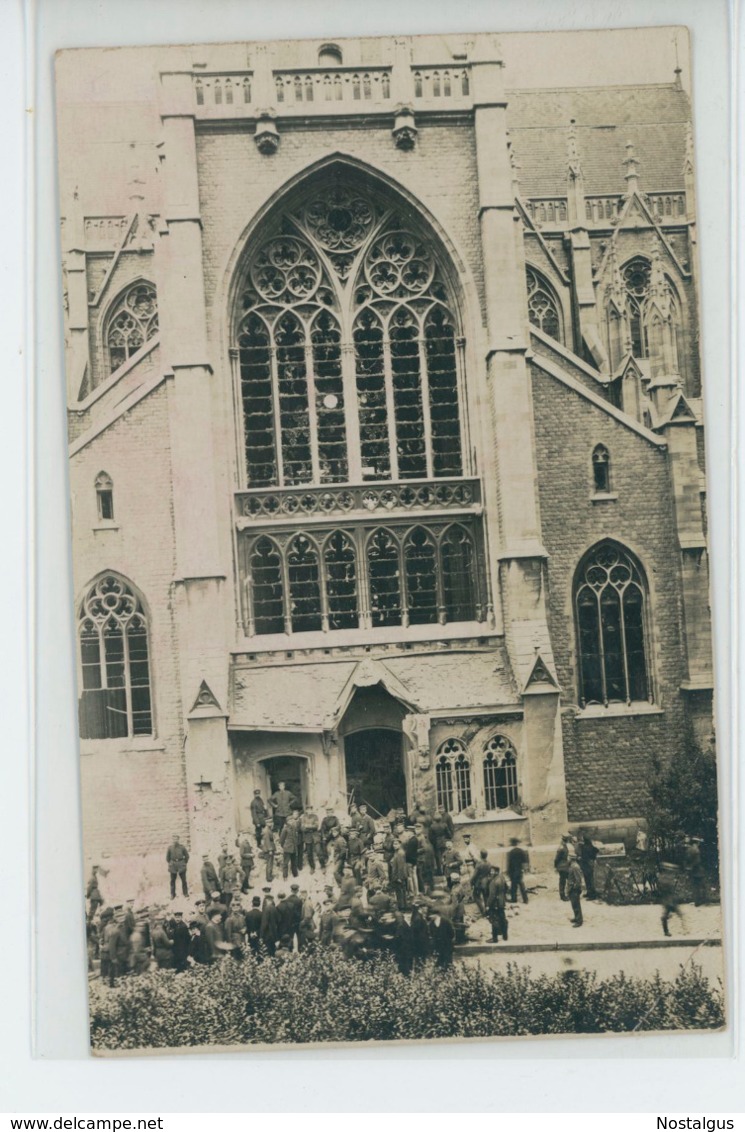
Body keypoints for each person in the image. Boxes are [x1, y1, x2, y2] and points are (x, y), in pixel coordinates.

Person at [657, 862, 685, 936]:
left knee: (677, 914)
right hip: (668, 899)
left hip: (670, 899)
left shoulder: (665, 877)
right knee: (666, 916)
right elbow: (664, 889)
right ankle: (667, 931)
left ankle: (684, 928)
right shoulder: (663, 878)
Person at [486, 865, 509, 942]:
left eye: (492, 871)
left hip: (495, 904)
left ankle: (495, 938)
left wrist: (488, 905)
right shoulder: (502, 878)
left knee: (494, 920)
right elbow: (506, 888)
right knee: (503, 919)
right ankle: (505, 936)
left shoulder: (493, 882)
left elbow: (491, 895)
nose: (491, 872)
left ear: (496, 871)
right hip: (502, 902)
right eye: (491, 871)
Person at [684, 837, 707, 906]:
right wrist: (692, 866)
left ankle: (697, 901)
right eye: (698, 843)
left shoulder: (689, 850)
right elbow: (698, 861)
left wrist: (688, 867)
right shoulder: (696, 850)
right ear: (696, 843)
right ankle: (701, 901)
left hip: (693, 871)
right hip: (698, 870)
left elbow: (686, 860)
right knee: (701, 885)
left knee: (695, 886)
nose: (699, 844)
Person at [506, 837, 529, 904]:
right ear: (517, 843)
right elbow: (525, 861)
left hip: (513, 872)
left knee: (513, 886)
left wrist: (508, 872)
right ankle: (525, 899)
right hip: (519, 871)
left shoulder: (511, 852)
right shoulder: (521, 851)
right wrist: (524, 870)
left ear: (512, 844)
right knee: (521, 885)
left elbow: (509, 863)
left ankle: (514, 899)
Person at [166, 833, 189, 898]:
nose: (175, 840)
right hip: (173, 865)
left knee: (184, 880)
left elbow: (187, 856)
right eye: (174, 839)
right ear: (172, 840)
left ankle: (185, 893)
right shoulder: (170, 848)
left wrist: (184, 863)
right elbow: (167, 858)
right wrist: (171, 863)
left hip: (181, 865)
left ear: (178, 839)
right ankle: (173, 894)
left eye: (176, 839)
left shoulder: (182, 847)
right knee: (172, 881)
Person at [578, 832, 599, 900]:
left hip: (586, 865)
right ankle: (590, 893)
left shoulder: (584, 847)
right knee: (590, 879)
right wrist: (593, 858)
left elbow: (584, 857)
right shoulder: (591, 846)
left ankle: (592, 895)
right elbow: (596, 850)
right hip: (591, 864)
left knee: (588, 880)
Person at [471, 850, 492, 916]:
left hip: (479, 883)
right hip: (486, 882)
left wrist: (471, 882)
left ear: (480, 855)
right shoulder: (489, 863)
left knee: (476, 896)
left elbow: (474, 875)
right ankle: (487, 910)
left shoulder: (479, 864)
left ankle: (483, 911)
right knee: (486, 896)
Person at [300, 806, 321, 873]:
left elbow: (316, 826)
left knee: (319, 851)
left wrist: (307, 826)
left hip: (315, 836)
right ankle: (312, 867)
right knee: (309, 853)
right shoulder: (303, 817)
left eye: (311, 810)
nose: (310, 811)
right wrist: (310, 826)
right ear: (306, 811)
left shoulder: (315, 816)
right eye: (308, 810)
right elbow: (302, 828)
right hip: (307, 837)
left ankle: (322, 865)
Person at [409, 901, 431, 965]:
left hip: (419, 943)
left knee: (420, 960)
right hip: (420, 944)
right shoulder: (418, 918)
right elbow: (415, 932)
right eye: (425, 908)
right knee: (420, 961)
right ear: (420, 908)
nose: (426, 910)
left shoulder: (418, 916)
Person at [429, 809, 450, 874]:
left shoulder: (432, 826)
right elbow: (449, 834)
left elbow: (430, 837)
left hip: (436, 843)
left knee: (438, 857)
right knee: (444, 856)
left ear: (434, 819)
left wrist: (433, 842)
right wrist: (446, 839)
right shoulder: (444, 825)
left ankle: (439, 871)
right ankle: (444, 870)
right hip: (444, 842)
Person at [279, 814, 301, 879]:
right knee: (285, 863)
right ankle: (285, 876)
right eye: (290, 820)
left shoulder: (294, 828)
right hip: (287, 848)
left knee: (294, 862)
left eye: (293, 820)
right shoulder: (285, 829)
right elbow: (281, 840)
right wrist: (284, 846)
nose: (292, 821)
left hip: (294, 848)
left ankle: (295, 875)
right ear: (287, 821)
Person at [566, 852, 584, 927]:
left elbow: (578, 879)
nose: (567, 859)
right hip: (571, 888)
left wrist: (575, 888)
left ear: (571, 859)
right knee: (574, 904)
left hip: (574, 889)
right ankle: (576, 917)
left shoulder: (575, 867)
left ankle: (579, 921)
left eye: (568, 858)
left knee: (576, 905)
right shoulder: (572, 866)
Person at [417, 831, 436, 896]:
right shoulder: (431, 846)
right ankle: (431, 891)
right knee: (430, 878)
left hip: (426, 864)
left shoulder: (426, 847)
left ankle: (428, 892)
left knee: (426, 879)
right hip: (430, 864)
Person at [554, 835, 571, 901]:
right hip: (562, 867)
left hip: (564, 865)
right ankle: (562, 896)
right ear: (566, 840)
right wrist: (556, 866)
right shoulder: (561, 848)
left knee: (565, 880)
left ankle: (566, 894)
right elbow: (556, 859)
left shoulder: (563, 846)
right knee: (562, 881)